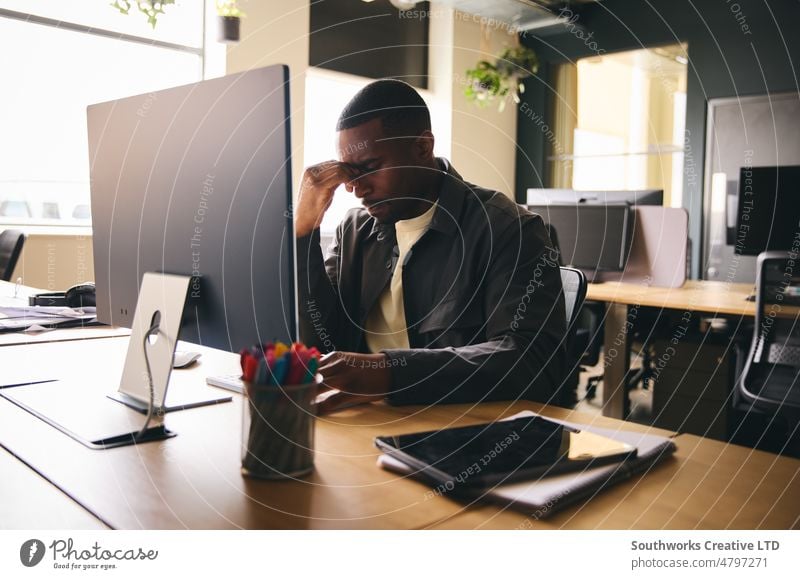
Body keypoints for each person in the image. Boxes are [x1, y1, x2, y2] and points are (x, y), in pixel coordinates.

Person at [295, 79, 566, 414]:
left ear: (423, 147)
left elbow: (531, 361)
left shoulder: (507, 229)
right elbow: (321, 340)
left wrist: (388, 374)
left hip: (463, 429)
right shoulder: (354, 232)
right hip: (367, 420)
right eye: (349, 174)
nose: (356, 188)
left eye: (370, 168)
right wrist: (303, 235)